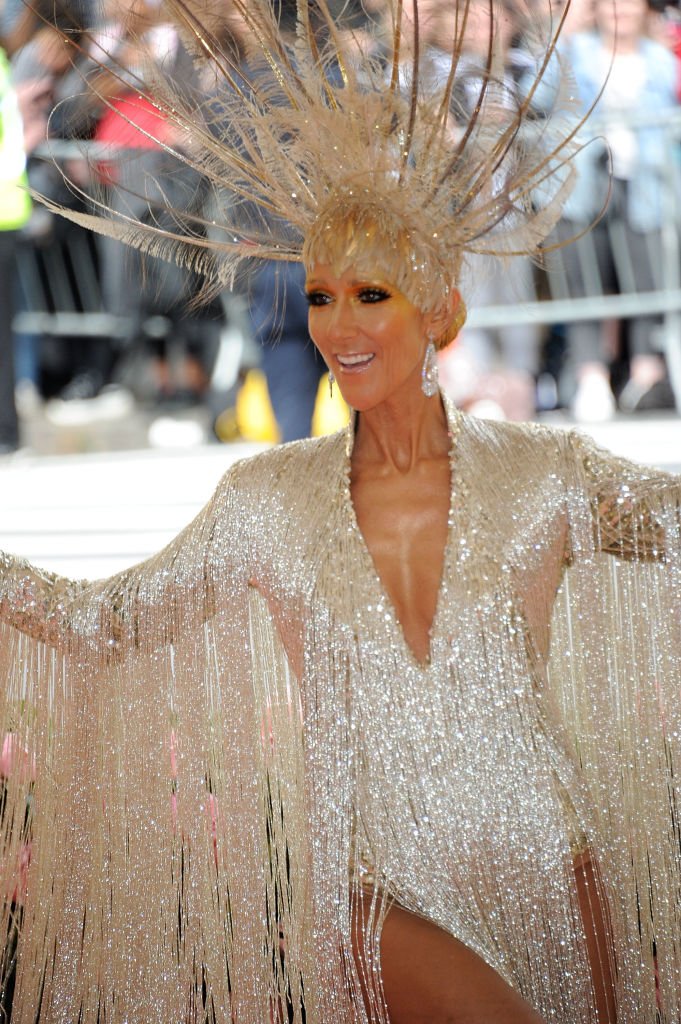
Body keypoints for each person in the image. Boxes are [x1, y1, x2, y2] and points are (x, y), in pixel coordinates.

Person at [0, 1, 679, 1022]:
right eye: (320, 296)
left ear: (441, 306)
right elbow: (105, 625)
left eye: (373, 294)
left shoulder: (552, 473)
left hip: (556, 875)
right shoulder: (267, 500)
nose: (340, 326)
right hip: (373, 895)